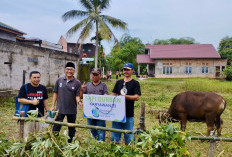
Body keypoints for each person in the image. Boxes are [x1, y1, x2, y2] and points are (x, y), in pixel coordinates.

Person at [51, 62, 82, 143]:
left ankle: (70, 143)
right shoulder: (59, 80)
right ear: (65, 70)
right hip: (60, 109)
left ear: (74, 71)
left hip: (72, 109)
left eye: (71, 69)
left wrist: (79, 102)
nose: (69, 71)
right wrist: (52, 105)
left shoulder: (77, 83)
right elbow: (55, 93)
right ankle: (54, 141)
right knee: (56, 126)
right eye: (67, 69)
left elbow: (77, 95)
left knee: (71, 127)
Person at [111, 63, 141, 145]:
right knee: (115, 137)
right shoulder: (119, 82)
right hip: (116, 114)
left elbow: (137, 97)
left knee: (129, 138)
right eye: (124, 69)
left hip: (128, 114)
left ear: (132, 71)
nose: (125, 71)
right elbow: (113, 95)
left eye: (128, 69)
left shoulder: (135, 83)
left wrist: (125, 97)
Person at [18, 71, 50, 141]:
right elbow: (20, 99)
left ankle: (39, 149)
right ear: (30, 78)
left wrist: (48, 111)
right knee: (28, 135)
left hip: (40, 115)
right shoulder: (25, 87)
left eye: (38, 77)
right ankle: (28, 149)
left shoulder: (43, 88)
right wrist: (32, 102)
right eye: (34, 77)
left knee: (41, 134)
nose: (36, 79)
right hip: (28, 116)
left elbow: (45, 100)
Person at [80, 68, 109, 141]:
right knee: (91, 128)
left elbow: (106, 95)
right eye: (93, 74)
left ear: (100, 75)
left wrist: (105, 96)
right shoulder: (88, 85)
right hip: (89, 111)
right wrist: (82, 89)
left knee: (101, 129)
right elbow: (81, 96)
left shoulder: (103, 85)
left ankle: (101, 144)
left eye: (96, 74)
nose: (94, 76)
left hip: (100, 112)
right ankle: (95, 143)